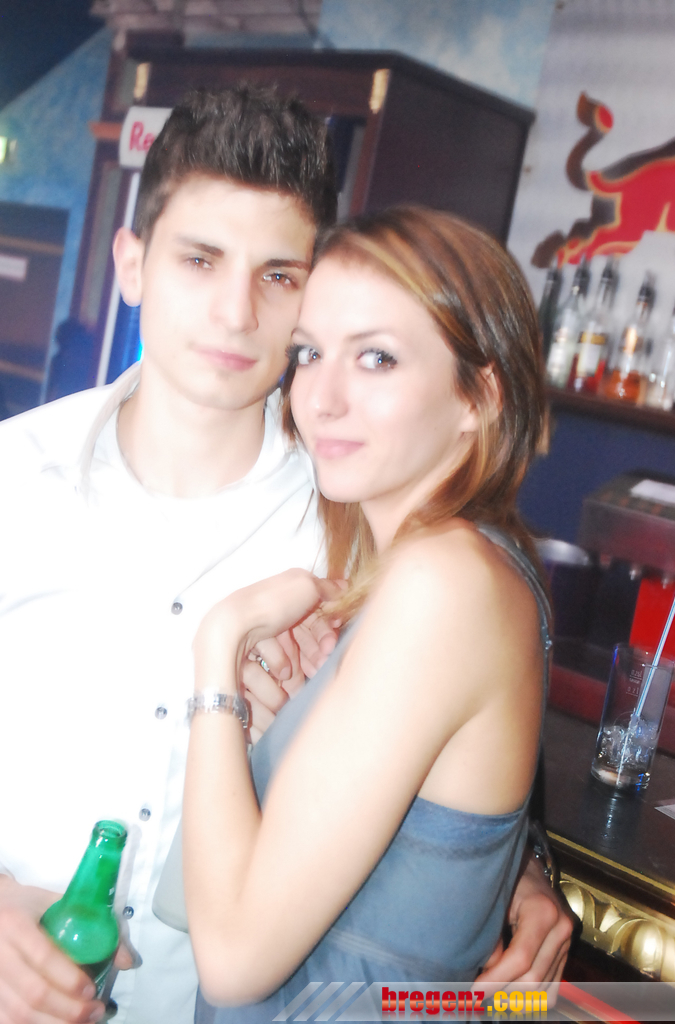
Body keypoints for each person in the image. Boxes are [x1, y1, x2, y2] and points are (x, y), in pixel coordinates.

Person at [0, 87, 571, 1024]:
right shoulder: (12, 480)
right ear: (131, 264)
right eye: (199, 259)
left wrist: (519, 864)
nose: (235, 311)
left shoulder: (357, 514)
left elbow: (461, 735)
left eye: (277, 275)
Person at [177, 206, 565, 1021]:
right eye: (309, 353)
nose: (320, 398)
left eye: (376, 358)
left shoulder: (444, 579)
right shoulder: (431, 566)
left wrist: (216, 654)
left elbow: (235, 960)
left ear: (479, 395)